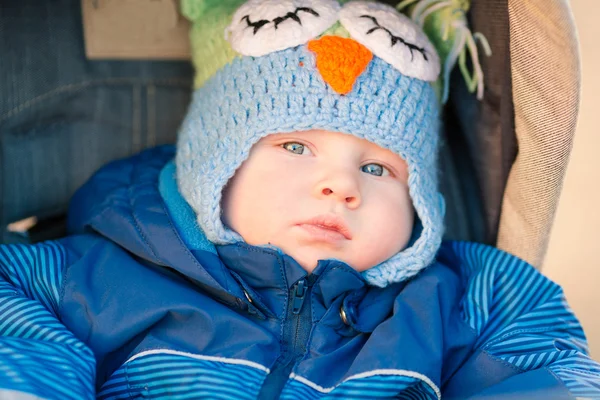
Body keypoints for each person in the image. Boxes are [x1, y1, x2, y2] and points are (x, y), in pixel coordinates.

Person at [1, 1, 599, 399]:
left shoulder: (460, 301)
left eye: (377, 167)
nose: (342, 186)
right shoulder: (97, 273)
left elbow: (538, 363)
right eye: (294, 146)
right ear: (216, 162)